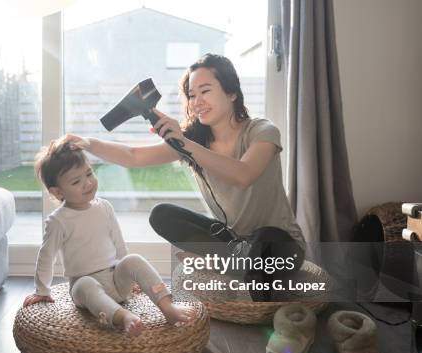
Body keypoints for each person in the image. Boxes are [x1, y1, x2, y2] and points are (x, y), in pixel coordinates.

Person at [63, 53, 305, 301]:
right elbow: (133, 156)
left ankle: (232, 269)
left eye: (205, 91)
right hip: (232, 242)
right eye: (191, 95)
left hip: (280, 242)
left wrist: (185, 144)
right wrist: (88, 143)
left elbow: (243, 175)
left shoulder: (262, 131)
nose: (197, 101)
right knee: (162, 214)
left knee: (263, 240)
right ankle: (232, 262)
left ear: (232, 92)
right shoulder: (193, 141)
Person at [23, 139, 195, 336]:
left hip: (116, 280)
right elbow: (46, 257)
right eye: (76, 181)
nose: (87, 183)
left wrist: (131, 275)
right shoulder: (58, 221)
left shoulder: (104, 207)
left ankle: (168, 307)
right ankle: (123, 317)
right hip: (85, 287)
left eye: (89, 173)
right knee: (85, 285)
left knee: (134, 260)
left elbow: (119, 243)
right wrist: (42, 291)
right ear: (57, 191)